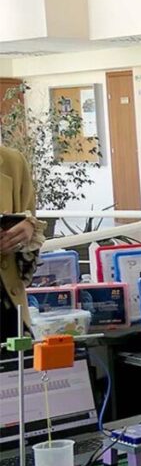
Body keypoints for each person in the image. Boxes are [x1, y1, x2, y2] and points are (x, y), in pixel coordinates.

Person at [1, 146, 46, 347]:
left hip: (8, 309)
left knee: (19, 373)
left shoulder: (13, 162)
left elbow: (32, 225)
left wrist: (27, 229)